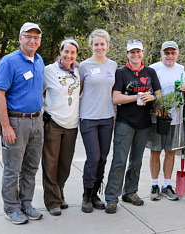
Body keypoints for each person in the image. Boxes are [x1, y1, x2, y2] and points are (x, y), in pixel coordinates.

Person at [0, 22, 44, 224]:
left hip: (37, 121)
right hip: (16, 122)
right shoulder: (9, 62)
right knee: (12, 169)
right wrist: (6, 126)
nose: (32, 41)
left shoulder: (39, 60)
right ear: (20, 38)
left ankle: (26, 204)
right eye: (28, 36)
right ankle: (11, 208)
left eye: (36, 37)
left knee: (31, 167)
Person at [105, 39, 161, 214]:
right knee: (119, 161)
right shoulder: (121, 73)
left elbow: (158, 94)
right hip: (125, 123)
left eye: (138, 52)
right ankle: (111, 198)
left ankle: (130, 192)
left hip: (144, 124)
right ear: (127, 54)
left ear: (143, 53)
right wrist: (137, 97)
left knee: (136, 161)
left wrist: (152, 97)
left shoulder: (150, 72)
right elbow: (116, 98)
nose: (135, 55)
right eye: (132, 52)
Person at [146, 41, 185, 201]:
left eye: (173, 53)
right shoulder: (153, 69)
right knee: (155, 151)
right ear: (161, 53)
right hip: (157, 118)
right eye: (167, 53)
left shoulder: (183, 70)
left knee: (171, 152)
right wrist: (155, 106)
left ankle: (167, 185)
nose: (170, 56)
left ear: (177, 54)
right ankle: (154, 185)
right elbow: (147, 91)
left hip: (176, 117)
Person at [79, 29, 117, 213]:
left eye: (102, 44)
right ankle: (86, 195)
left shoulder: (113, 65)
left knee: (102, 157)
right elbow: (76, 90)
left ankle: (95, 194)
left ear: (107, 46)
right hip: (88, 118)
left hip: (107, 118)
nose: (99, 47)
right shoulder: (83, 66)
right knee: (93, 157)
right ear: (91, 46)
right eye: (96, 44)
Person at [42, 39, 80, 216]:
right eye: (66, 51)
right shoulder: (49, 70)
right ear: (60, 51)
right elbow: (38, 91)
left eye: (73, 53)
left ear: (76, 55)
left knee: (64, 164)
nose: (69, 55)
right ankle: (52, 202)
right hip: (54, 123)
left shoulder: (79, 71)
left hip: (72, 126)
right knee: (50, 164)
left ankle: (60, 192)